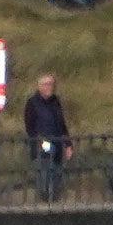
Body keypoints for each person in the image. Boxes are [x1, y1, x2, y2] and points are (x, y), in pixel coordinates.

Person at [24, 74, 75, 203]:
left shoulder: (55, 101)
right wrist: (39, 141)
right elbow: (30, 127)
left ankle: (54, 202)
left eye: (52, 84)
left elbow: (61, 124)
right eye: (47, 84)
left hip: (57, 145)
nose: (50, 87)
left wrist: (68, 144)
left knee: (57, 177)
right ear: (40, 86)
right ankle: (45, 202)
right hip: (41, 147)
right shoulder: (32, 102)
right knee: (44, 177)